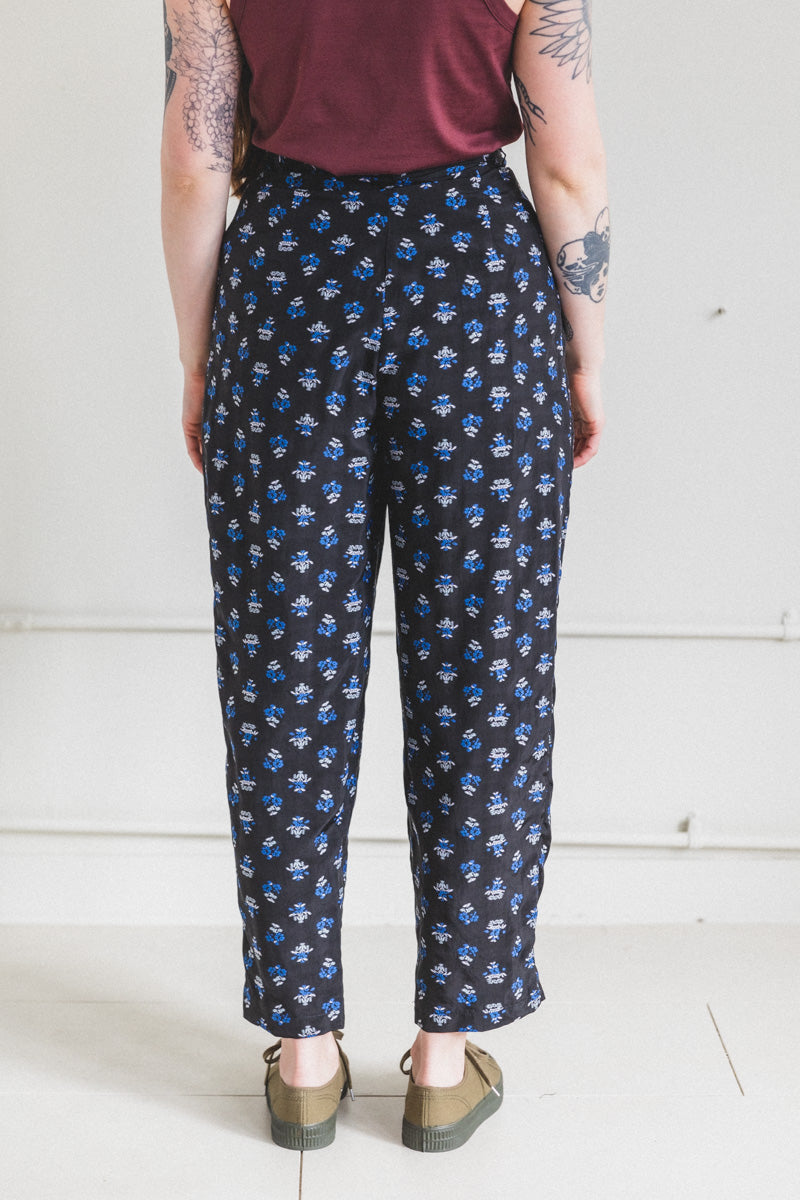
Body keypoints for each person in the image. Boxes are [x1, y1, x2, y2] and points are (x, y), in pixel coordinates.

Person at [160, 0, 608, 1155]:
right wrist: (584, 355)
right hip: (475, 290)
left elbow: (197, 162)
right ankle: (444, 1061)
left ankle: (304, 1058)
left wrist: (201, 355)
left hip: (285, 282)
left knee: (283, 676)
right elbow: (565, 164)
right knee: (485, 675)